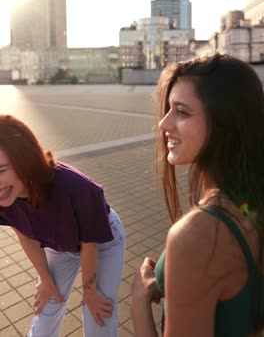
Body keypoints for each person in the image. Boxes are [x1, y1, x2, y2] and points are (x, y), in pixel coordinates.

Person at [131, 53, 264, 337]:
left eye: (181, 112)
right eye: (168, 109)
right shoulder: (252, 203)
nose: (164, 124)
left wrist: (139, 302)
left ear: (223, 123)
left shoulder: (198, 236)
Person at [0, 114, 125, 337]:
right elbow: (25, 235)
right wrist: (46, 281)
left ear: (24, 159)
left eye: (0, 170)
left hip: (101, 240)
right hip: (60, 244)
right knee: (46, 308)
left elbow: (90, 243)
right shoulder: (5, 196)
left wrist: (90, 292)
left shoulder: (75, 187)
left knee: (97, 315)